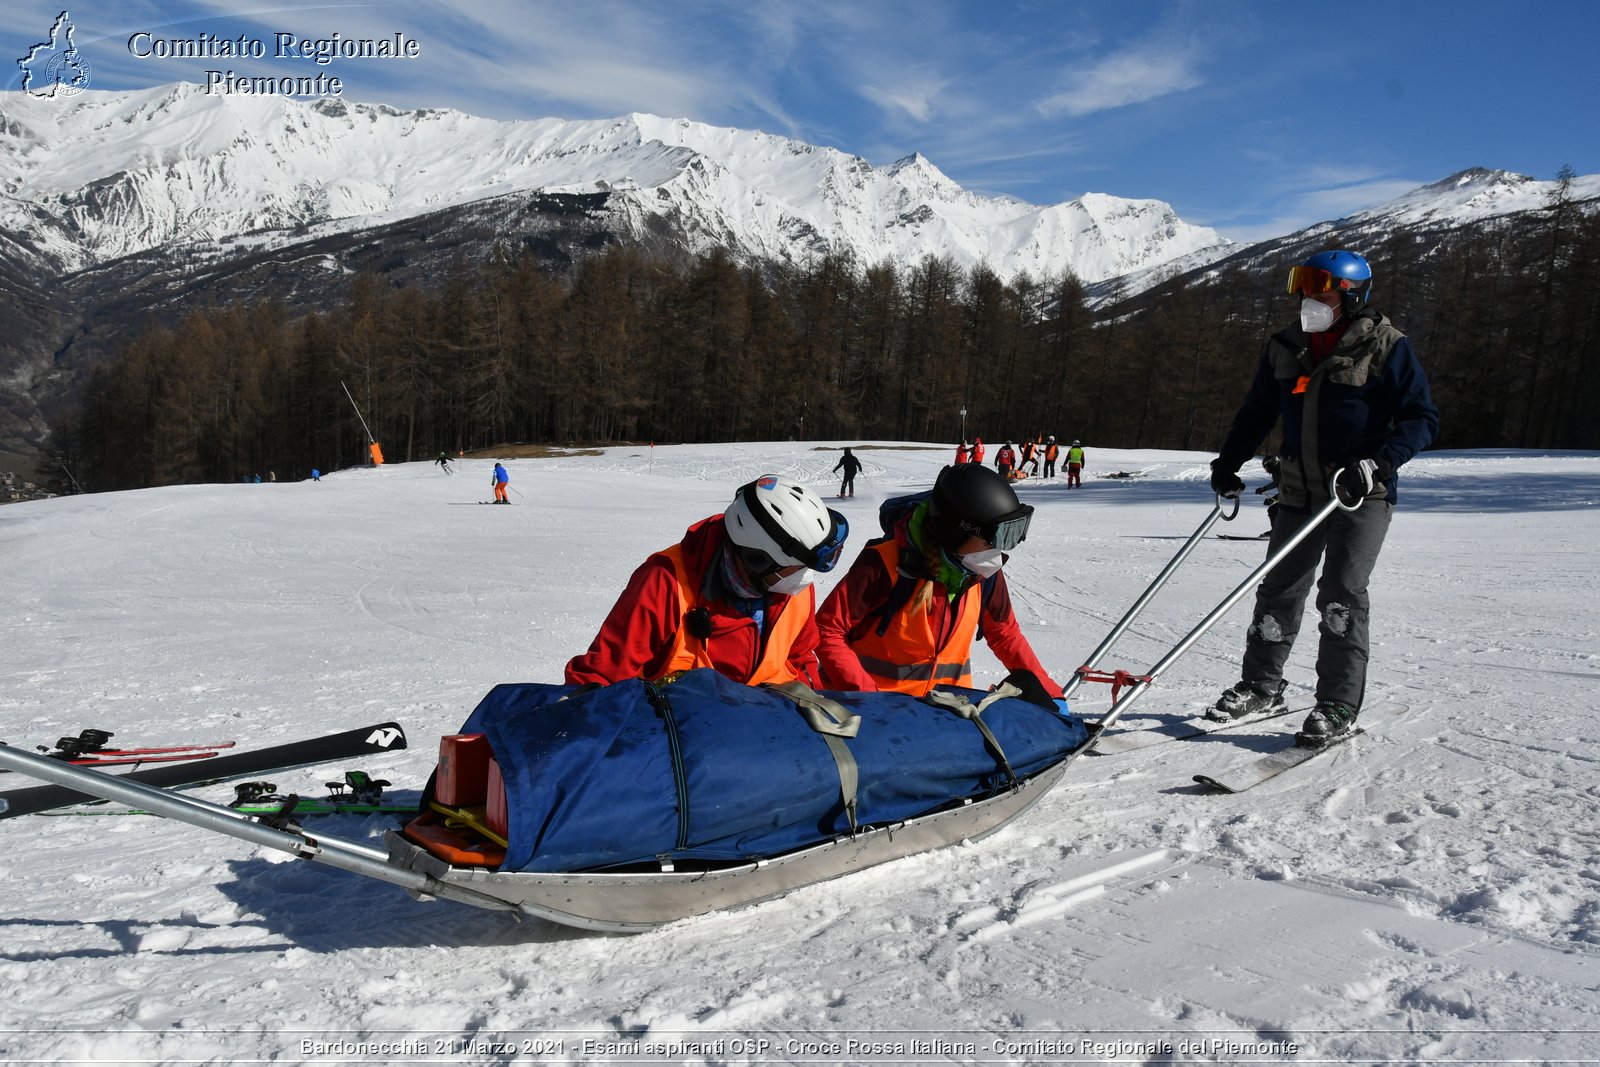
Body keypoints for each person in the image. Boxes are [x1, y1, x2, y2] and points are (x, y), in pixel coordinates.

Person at [1207, 249, 1439, 744]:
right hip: (1298, 490)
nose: (1309, 299)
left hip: (1360, 493)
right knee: (1279, 590)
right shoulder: (1285, 347)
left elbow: (1421, 418)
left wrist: (1379, 461)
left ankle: (1337, 701)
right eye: (1304, 289)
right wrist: (1227, 464)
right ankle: (1261, 685)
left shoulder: (1386, 346)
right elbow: (1255, 414)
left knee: (1342, 593)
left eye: (1322, 291)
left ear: (1352, 295)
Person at [816, 464, 1065, 705]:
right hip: (874, 714)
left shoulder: (982, 572)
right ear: (954, 533)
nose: (995, 552)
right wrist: (869, 696)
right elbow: (827, 630)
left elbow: (1005, 634)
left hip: (944, 717)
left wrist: (1049, 693)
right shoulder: (884, 564)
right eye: (990, 542)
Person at [566, 476, 849, 687]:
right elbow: (601, 678)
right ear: (758, 560)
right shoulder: (664, 581)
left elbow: (800, 661)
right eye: (797, 567)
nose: (805, 578)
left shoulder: (792, 588)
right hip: (683, 748)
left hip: (768, 742)